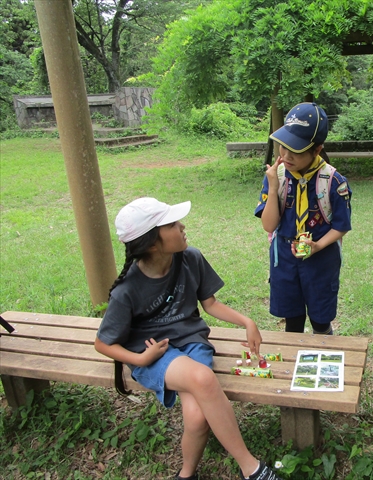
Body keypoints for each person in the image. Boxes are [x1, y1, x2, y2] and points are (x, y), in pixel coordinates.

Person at [95, 197, 282, 480]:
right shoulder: (127, 290)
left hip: (192, 344)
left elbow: (210, 303)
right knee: (204, 380)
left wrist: (247, 321)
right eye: (171, 224)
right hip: (156, 354)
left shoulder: (190, 258)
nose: (182, 226)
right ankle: (252, 469)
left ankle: (186, 475)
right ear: (152, 244)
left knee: (196, 418)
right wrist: (139, 359)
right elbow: (103, 343)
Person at [255, 102, 352, 335]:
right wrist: (274, 184)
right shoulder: (276, 175)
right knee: (293, 322)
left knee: (320, 322)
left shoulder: (333, 181)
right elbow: (268, 225)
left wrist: (317, 245)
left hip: (321, 262)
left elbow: (341, 226)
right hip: (285, 259)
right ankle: (293, 366)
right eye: (283, 147)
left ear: (317, 149)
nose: (286, 156)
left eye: (295, 150)